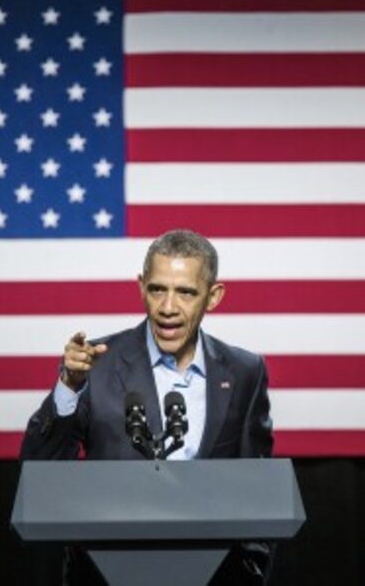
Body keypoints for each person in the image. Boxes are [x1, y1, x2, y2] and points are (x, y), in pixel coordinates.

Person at [21, 229, 274, 585]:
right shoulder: (96, 364)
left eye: (185, 292)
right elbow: (39, 469)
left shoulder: (245, 371)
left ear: (213, 296)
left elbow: (257, 487)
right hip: (107, 573)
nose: (168, 308)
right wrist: (68, 388)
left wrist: (249, 570)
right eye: (158, 289)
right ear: (142, 287)